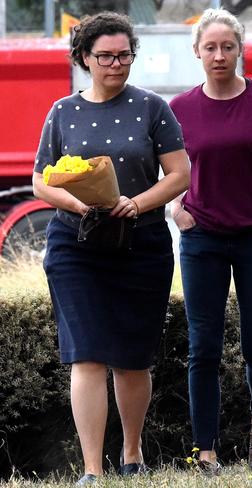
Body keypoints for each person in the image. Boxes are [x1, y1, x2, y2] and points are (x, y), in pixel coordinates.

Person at [32, 12, 190, 486]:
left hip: (140, 242)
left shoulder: (153, 107)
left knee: (133, 356)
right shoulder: (62, 111)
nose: (116, 64)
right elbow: (41, 181)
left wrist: (136, 203)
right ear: (84, 58)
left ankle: (133, 452)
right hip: (75, 243)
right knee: (87, 354)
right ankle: (92, 470)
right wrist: (80, 205)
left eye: (124, 55)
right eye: (105, 56)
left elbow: (180, 174)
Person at [169, 7, 252, 472]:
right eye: (211, 47)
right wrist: (176, 208)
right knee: (202, 345)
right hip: (202, 238)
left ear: (241, 49)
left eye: (228, 46)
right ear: (197, 52)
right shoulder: (179, 109)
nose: (220, 55)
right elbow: (169, 175)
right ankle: (204, 451)